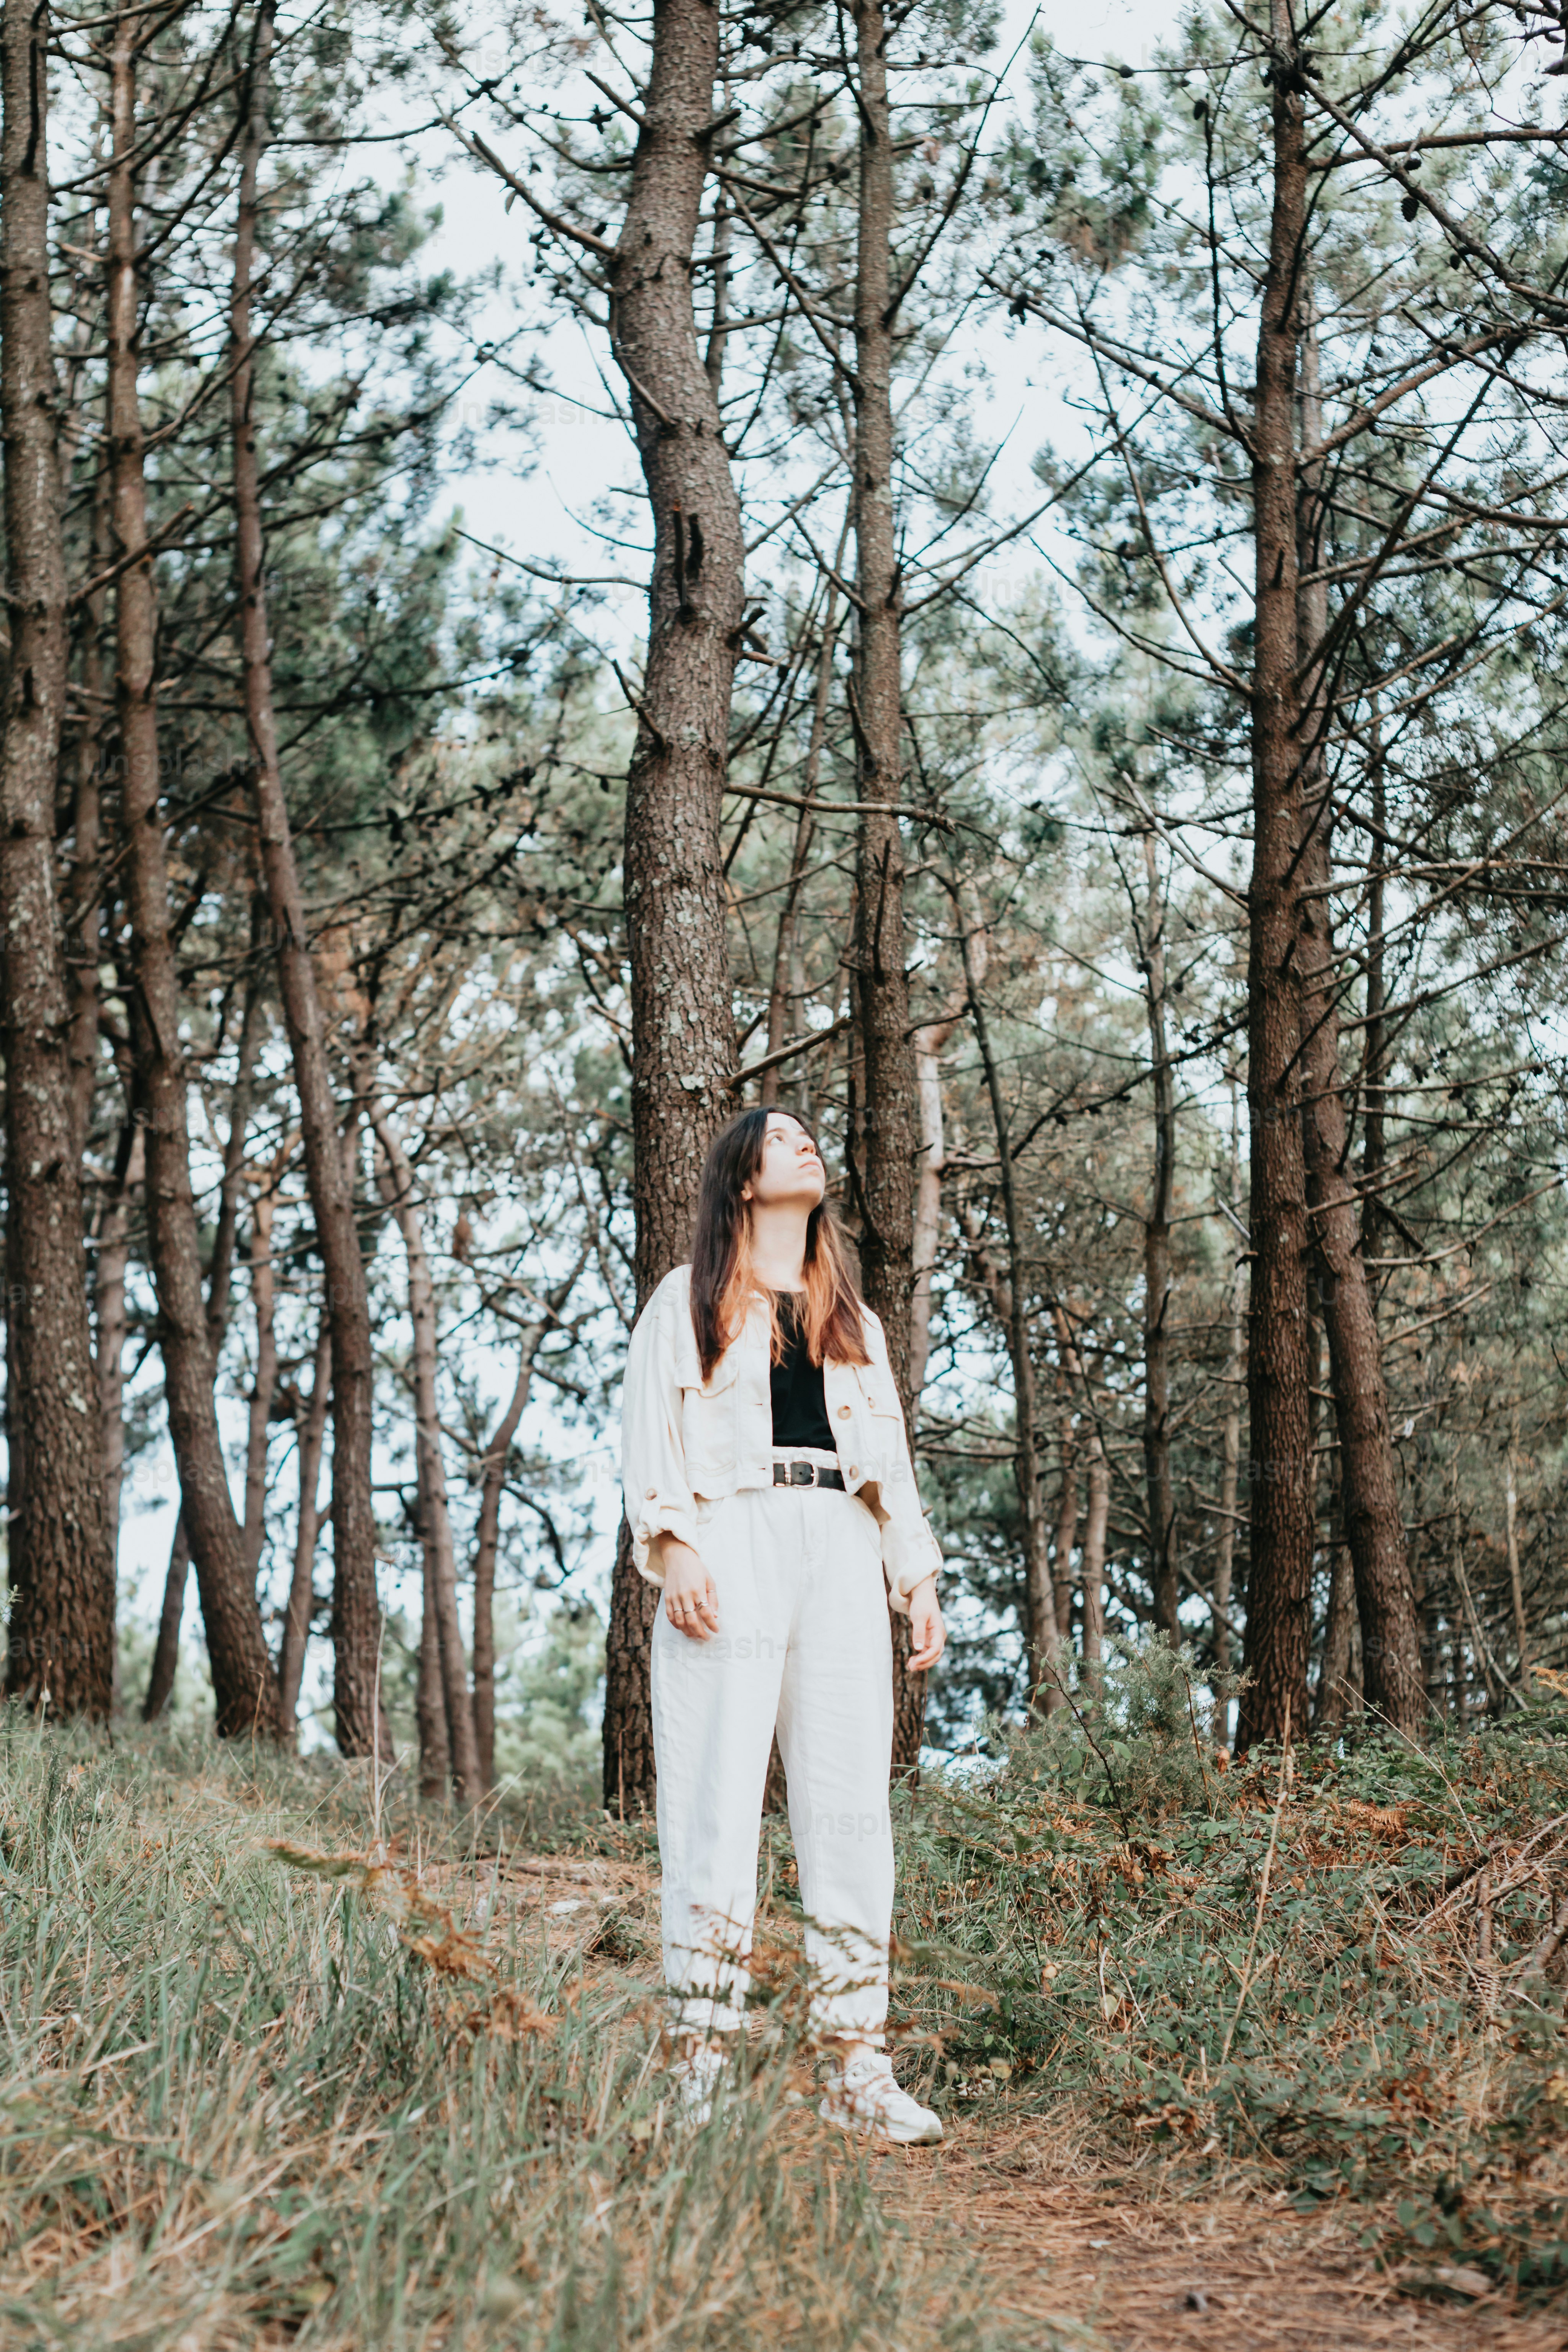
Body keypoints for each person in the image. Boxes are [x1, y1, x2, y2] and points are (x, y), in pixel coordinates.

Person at [621, 1106, 947, 2144]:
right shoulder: (688, 1300)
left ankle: (858, 2067)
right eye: (781, 1139)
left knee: (851, 1812)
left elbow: (889, 1468)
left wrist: (918, 1575)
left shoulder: (852, 1316)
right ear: (744, 1182)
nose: (806, 1145)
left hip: (841, 1546)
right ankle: (701, 2068)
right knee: (714, 1808)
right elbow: (650, 1440)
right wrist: (676, 1554)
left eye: (812, 1138)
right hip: (731, 1537)